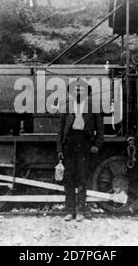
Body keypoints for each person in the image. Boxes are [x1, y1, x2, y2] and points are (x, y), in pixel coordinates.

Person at [56, 82, 104, 222]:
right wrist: (60, 149)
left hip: (84, 143)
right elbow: (60, 131)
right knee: (69, 178)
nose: (78, 92)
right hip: (69, 143)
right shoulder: (67, 107)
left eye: (81, 89)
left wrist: (97, 145)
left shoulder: (92, 107)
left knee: (82, 178)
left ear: (86, 92)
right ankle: (70, 211)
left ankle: (81, 211)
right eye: (75, 90)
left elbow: (100, 129)